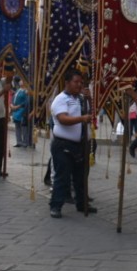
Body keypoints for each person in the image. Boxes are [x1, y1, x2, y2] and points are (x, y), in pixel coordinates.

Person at [48, 69, 96, 218]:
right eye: (76, 82)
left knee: (80, 177)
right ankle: (56, 205)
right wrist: (81, 119)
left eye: (80, 82)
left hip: (80, 145)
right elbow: (63, 119)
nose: (79, 85)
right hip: (63, 145)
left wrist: (90, 100)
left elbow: (93, 113)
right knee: (62, 177)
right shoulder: (60, 99)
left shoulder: (81, 99)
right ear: (67, 83)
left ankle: (82, 204)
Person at [11, 81, 33, 148]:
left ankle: (25, 142)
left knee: (23, 126)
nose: (20, 81)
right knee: (17, 126)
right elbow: (13, 98)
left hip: (22, 110)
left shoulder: (26, 91)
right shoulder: (18, 90)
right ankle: (18, 141)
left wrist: (18, 106)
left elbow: (26, 101)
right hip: (15, 110)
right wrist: (11, 105)